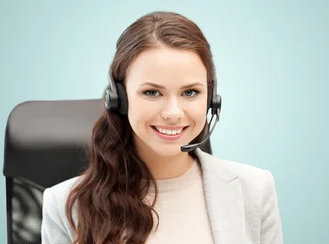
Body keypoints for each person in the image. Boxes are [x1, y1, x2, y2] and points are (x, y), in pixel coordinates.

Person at [40, 11, 283, 244]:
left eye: (190, 92)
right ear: (119, 98)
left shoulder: (255, 190)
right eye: (152, 92)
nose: (173, 113)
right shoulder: (65, 206)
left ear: (211, 98)